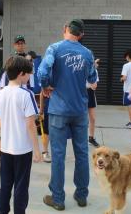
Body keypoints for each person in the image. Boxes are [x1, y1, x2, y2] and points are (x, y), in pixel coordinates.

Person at [38, 19, 98, 210]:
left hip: (59, 110)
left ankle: (58, 198)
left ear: (65, 30)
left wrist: (46, 85)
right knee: (82, 154)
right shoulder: (87, 53)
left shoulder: (54, 49)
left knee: (58, 155)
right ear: (81, 34)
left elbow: (42, 72)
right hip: (80, 110)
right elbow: (93, 78)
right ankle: (81, 196)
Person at [0, 56, 41, 214]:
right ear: (22, 73)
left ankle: (2, 211)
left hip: (6, 148)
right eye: (29, 74)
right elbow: (30, 124)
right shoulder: (26, 94)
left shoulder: (1, 93)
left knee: (6, 184)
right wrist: (37, 150)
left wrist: (1, 143)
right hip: (23, 149)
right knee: (21, 185)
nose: (29, 77)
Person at [87, 58, 100, 148]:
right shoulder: (79, 69)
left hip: (89, 93)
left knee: (92, 118)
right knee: (81, 118)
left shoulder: (94, 70)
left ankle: (91, 138)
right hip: (79, 93)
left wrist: (92, 84)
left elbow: (94, 86)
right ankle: (80, 138)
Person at [39, 94, 51, 163]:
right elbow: (41, 94)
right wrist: (41, 110)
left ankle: (58, 153)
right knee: (46, 131)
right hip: (49, 106)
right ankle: (45, 152)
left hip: (61, 107)